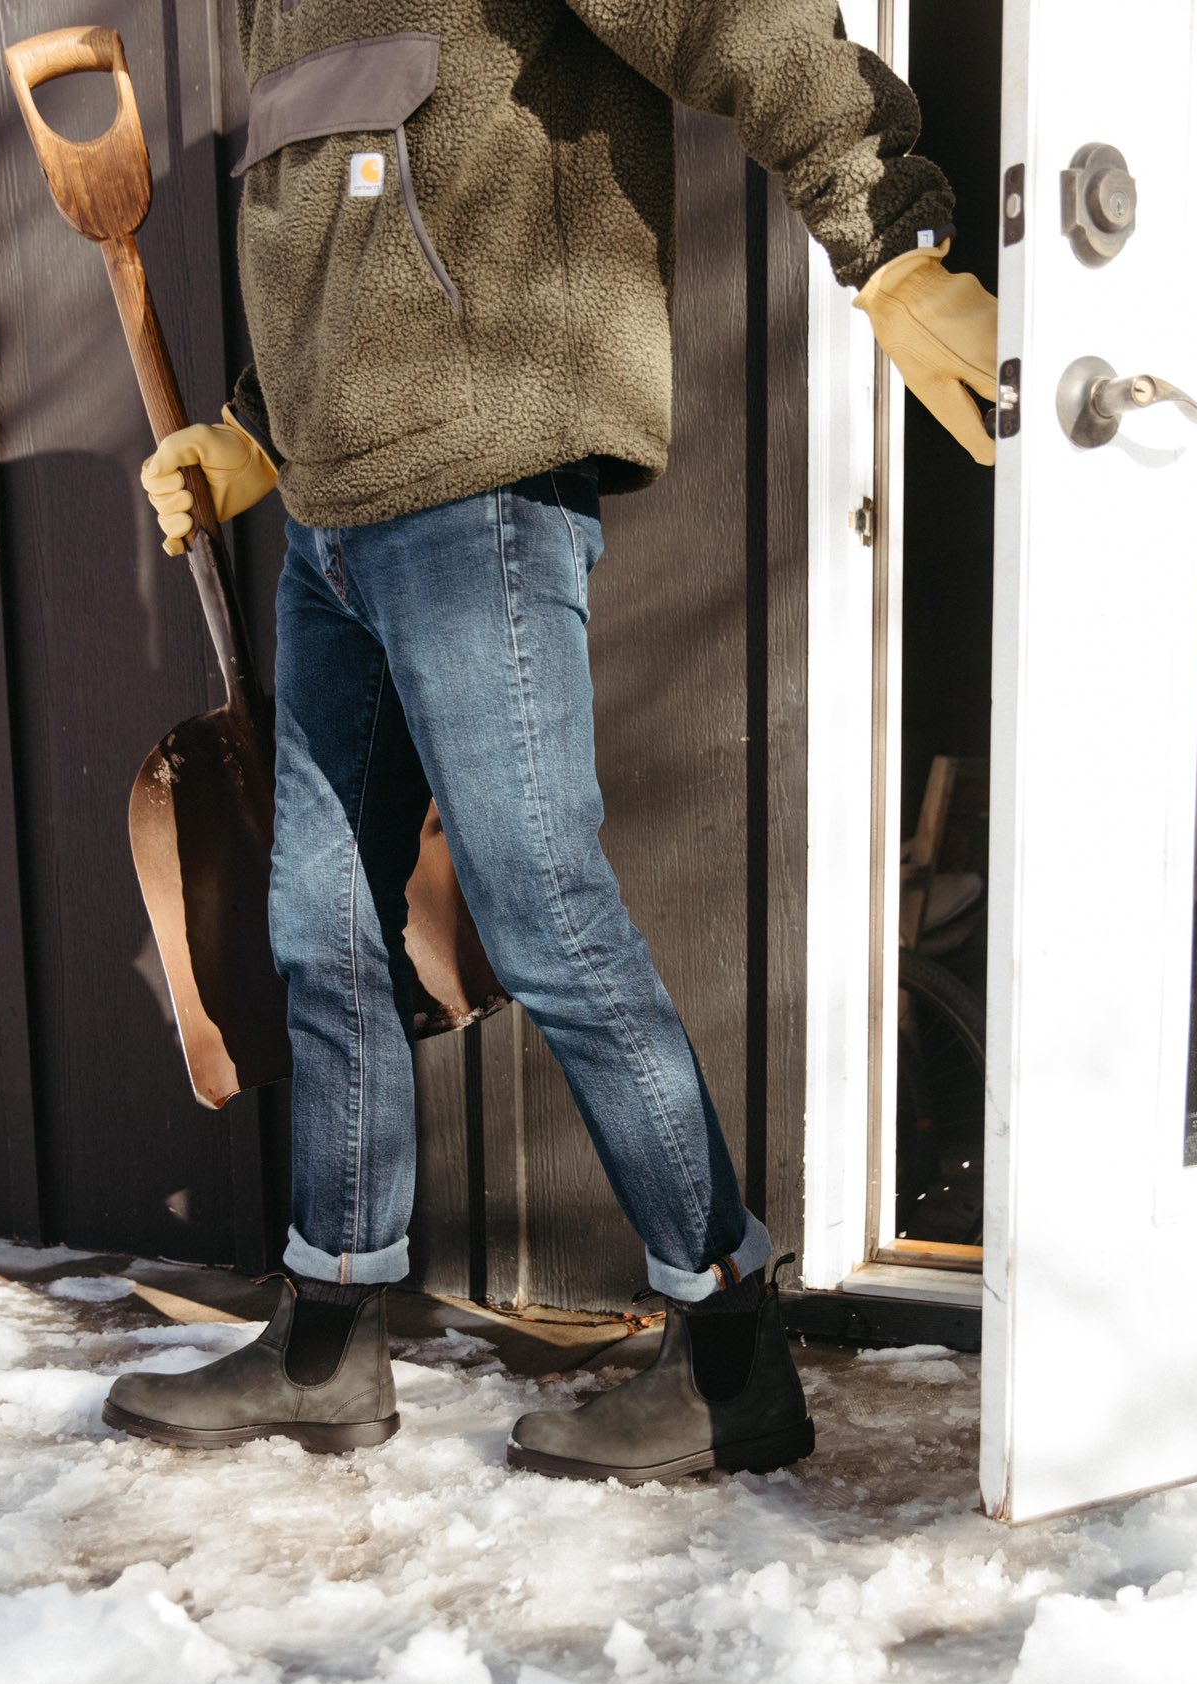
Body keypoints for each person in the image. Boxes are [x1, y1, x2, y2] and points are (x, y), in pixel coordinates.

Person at [103, 1, 997, 1484]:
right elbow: (345, 238)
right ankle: (328, 1344)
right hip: (333, 523)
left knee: (544, 908)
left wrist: (888, 238)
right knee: (319, 927)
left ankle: (729, 1358)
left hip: (483, 481)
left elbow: (731, 23)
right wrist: (255, 431)